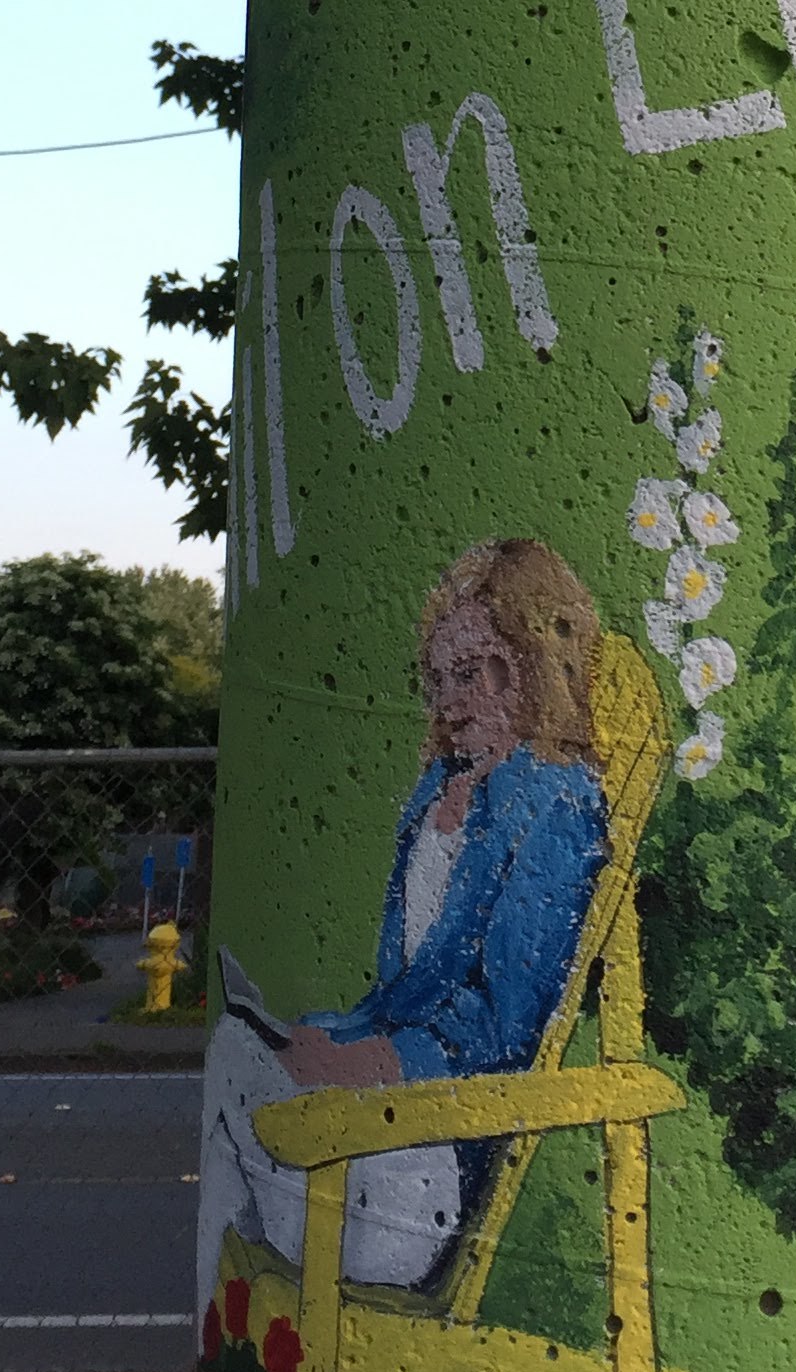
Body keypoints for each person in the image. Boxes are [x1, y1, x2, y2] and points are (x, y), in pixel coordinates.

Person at [198, 538, 608, 1299]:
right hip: (382, 1122)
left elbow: (505, 1025)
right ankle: (240, 1341)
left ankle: (251, 1338)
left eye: (481, 671)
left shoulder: (559, 805)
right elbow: (402, 995)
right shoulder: (435, 796)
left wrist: (368, 1064)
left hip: (436, 1164)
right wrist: (322, 1039)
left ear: (537, 665)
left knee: (243, 1104)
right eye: (441, 678)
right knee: (236, 1043)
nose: (454, 701)